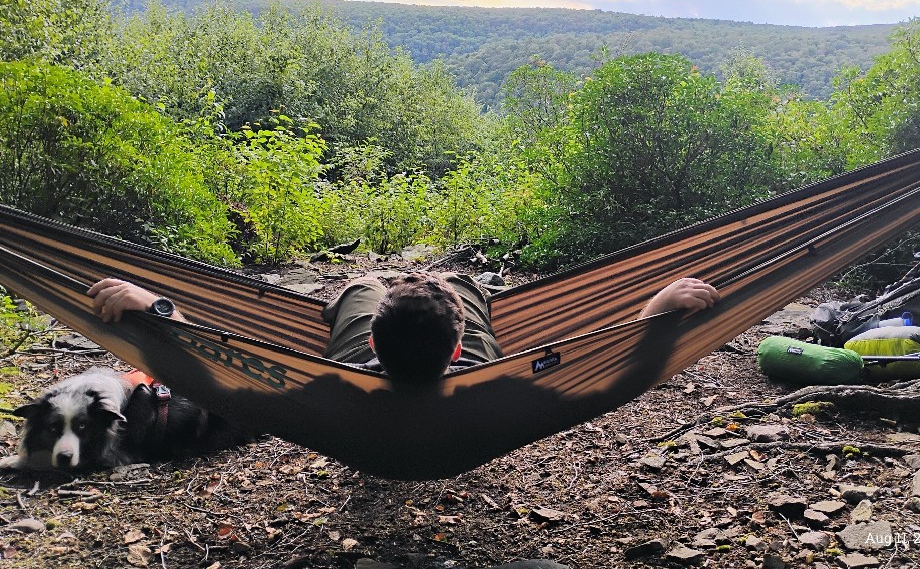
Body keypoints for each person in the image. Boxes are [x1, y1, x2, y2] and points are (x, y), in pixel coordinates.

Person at [87, 274, 719, 384]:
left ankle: (366, 295)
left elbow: (219, 361)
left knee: (363, 290)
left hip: (365, 366)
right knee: (459, 287)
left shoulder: (328, 384)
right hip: (465, 370)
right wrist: (656, 306)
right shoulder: (498, 382)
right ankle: (450, 290)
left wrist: (155, 306)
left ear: (368, 344)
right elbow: (593, 361)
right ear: (457, 343)